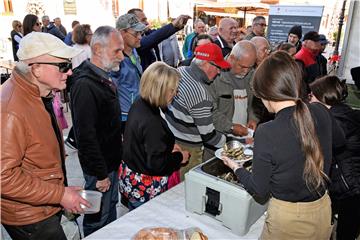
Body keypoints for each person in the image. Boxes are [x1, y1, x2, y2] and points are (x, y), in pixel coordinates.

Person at [221, 51, 345, 240]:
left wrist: (236, 167)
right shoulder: (319, 109)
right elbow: (339, 142)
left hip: (289, 218)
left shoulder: (267, 131)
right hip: (322, 208)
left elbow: (259, 189)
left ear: (265, 93)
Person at [1, 32, 90, 240]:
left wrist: (59, 189)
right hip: (30, 217)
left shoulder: (39, 94)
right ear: (36, 68)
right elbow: (3, 177)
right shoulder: (10, 109)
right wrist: (59, 194)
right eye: (63, 66)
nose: (69, 72)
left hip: (42, 207)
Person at [69, 26, 124, 236]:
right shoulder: (85, 85)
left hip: (108, 163)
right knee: (96, 217)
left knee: (109, 212)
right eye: (116, 51)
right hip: (99, 169)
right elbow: (86, 137)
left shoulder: (102, 76)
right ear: (99, 49)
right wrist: (100, 174)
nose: (121, 56)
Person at [119, 62, 190, 210]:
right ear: (160, 90)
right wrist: (180, 157)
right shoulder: (152, 122)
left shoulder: (139, 103)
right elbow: (157, 165)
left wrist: (167, 147)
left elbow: (145, 144)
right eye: (173, 90)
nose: (176, 93)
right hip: (145, 188)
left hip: (132, 178)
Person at [164, 43, 229, 180]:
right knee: (184, 188)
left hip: (171, 138)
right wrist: (230, 143)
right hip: (189, 149)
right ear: (205, 64)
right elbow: (209, 136)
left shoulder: (180, 71)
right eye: (217, 67)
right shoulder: (201, 95)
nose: (219, 72)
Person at [309, 75, 360, 240]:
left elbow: (320, 145)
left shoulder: (338, 119)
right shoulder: (340, 112)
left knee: (346, 231)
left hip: (353, 186)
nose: (309, 100)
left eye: (312, 96)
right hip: (347, 182)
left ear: (323, 97)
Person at [210, 40, 258, 138]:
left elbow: (256, 102)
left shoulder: (253, 74)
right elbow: (210, 111)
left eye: (250, 67)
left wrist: (253, 118)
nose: (246, 71)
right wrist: (231, 127)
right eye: (243, 67)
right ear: (232, 58)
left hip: (245, 137)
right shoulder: (215, 75)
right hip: (220, 138)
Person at [111, 13, 146, 134]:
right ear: (121, 33)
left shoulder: (134, 51)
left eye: (141, 33)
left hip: (138, 111)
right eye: (136, 33)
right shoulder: (114, 59)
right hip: (125, 117)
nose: (140, 37)